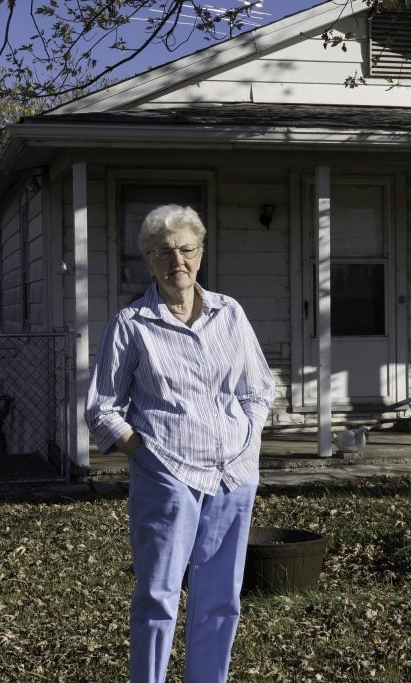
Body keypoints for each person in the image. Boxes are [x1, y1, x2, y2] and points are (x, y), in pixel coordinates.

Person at [85, 204, 275, 683]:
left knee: (221, 598)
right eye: (164, 253)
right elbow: (102, 409)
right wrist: (144, 455)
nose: (178, 262)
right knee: (158, 596)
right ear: (148, 261)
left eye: (187, 250)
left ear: (201, 252)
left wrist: (248, 442)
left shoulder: (230, 313)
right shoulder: (131, 324)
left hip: (233, 475)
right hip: (168, 477)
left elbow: (259, 388)